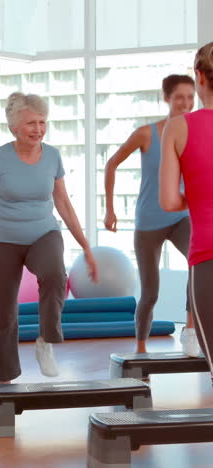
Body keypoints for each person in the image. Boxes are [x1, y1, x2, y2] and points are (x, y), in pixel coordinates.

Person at [0, 92, 98, 383]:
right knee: (4, 314)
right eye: (31, 122)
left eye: (43, 122)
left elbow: (64, 205)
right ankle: (3, 382)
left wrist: (86, 247)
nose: (38, 129)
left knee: (55, 273)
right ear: (14, 127)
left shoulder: (52, 156)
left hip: (42, 232)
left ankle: (46, 341)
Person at [104, 74, 200, 355]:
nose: (185, 103)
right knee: (150, 292)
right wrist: (110, 209)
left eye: (190, 97)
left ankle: (191, 330)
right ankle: (141, 348)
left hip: (181, 216)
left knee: (201, 263)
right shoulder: (147, 133)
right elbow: (111, 165)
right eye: (179, 97)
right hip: (149, 221)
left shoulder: (194, 132)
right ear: (166, 98)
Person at [160, 42, 213, 381]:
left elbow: (168, 201)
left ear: (199, 77)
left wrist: (199, 195)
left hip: (208, 255)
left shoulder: (178, 127)